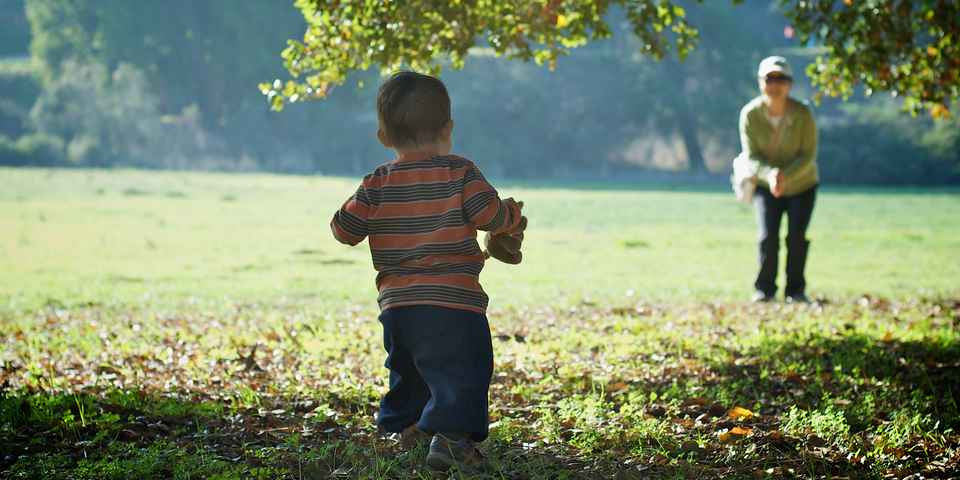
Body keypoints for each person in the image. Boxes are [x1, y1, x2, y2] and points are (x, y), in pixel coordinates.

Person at [330, 71, 527, 471]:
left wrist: (366, 201)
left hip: (398, 306)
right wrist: (511, 216)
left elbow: (343, 230)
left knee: (409, 368)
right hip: (454, 302)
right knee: (464, 369)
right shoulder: (460, 172)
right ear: (448, 129)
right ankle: (452, 439)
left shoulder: (376, 182)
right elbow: (487, 214)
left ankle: (409, 427)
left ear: (383, 136)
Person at [735, 56, 819, 303]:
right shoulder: (750, 114)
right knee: (767, 237)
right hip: (765, 185)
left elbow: (808, 155)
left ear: (790, 84)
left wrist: (785, 176)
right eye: (770, 79)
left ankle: (796, 290)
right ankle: (765, 290)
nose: (775, 85)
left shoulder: (803, 114)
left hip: (802, 184)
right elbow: (752, 156)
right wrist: (770, 175)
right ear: (761, 82)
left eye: (781, 79)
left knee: (796, 237)